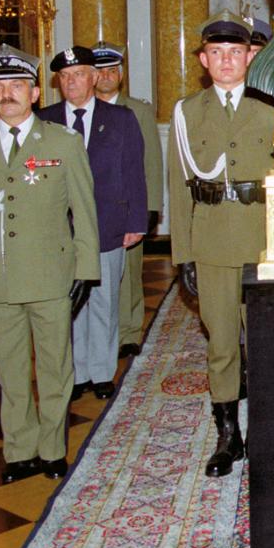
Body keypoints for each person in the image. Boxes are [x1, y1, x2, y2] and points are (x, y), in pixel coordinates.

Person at [0, 47, 99, 483]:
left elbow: (84, 211)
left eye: (16, 85)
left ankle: (52, 449)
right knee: (9, 371)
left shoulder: (62, 142)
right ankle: (19, 451)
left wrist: (85, 271)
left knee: (55, 369)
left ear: (35, 93)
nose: (7, 94)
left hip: (51, 277)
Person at [168, 15, 274, 477]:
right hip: (210, 240)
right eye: (216, 53)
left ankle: (266, 431)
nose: (226, 61)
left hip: (264, 238)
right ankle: (228, 436)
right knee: (222, 343)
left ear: (250, 57)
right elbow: (179, 189)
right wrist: (183, 255)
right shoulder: (187, 112)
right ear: (202, 59)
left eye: (235, 52)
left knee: (267, 340)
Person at [41, 46, 148, 401]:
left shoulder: (120, 119)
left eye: (78, 75)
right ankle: (76, 373)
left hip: (108, 225)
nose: (71, 82)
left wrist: (136, 221)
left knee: (104, 300)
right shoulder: (44, 121)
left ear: (93, 77)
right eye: (64, 76)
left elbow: (134, 172)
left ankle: (102, 372)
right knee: (68, 304)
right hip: (59, 231)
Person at [91, 43, 163, 357]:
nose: (106, 76)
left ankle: (129, 332)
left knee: (129, 274)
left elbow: (151, 162)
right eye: (100, 71)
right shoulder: (80, 109)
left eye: (112, 71)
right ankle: (97, 334)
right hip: (90, 207)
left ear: (120, 75)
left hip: (125, 206)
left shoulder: (138, 110)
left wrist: (151, 207)